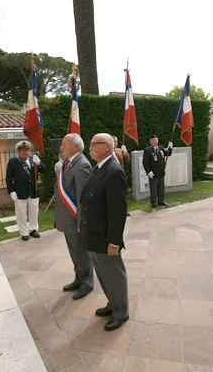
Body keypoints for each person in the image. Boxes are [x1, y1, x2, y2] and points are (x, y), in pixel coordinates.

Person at [80, 133, 129, 331]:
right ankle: (113, 303)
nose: (90, 147)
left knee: (114, 275)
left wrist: (114, 242)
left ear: (107, 147)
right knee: (103, 275)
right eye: (90, 144)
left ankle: (121, 312)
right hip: (93, 234)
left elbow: (118, 212)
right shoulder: (98, 168)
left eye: (94, 144)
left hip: (105, 237)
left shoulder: (114, 171)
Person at [54, 133, 95, 300]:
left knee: (82, 254)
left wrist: (81, 222)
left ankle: (87, 283)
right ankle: (79, 278)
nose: (61, 147)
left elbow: (82, 198)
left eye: (65, 143)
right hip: (67, 219)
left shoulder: (81, 165)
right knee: (74, 252)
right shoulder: (69, 163)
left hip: (75, 219)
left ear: (75, 146)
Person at [6, 140, 47, 241]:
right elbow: (8, 178)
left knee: (34, 211)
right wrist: (11, 191)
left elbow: (44, 170)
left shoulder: (33, 160)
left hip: (33, 191)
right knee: (21, 213)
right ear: (18, 151)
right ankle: (24, 232)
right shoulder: (13, 162)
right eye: (22, 150)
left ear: (29, 151)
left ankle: (33, 229)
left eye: (27, 150)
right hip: (20, 192)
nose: (25, 152)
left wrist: (39, 163)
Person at [142, 134, 173, 207]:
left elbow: (168, 154)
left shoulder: (160, 148)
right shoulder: (148, 150)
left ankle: (161, 201)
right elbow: (145, 162)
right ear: (150, 142)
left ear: (158, 140)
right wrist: (148, 171)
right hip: (153, 173)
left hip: (161, 172)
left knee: (161, 188)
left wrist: (170, 148)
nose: (155, 141)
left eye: (156, 140)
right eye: (153, 140)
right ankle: (153, 202)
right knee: (153, 189)